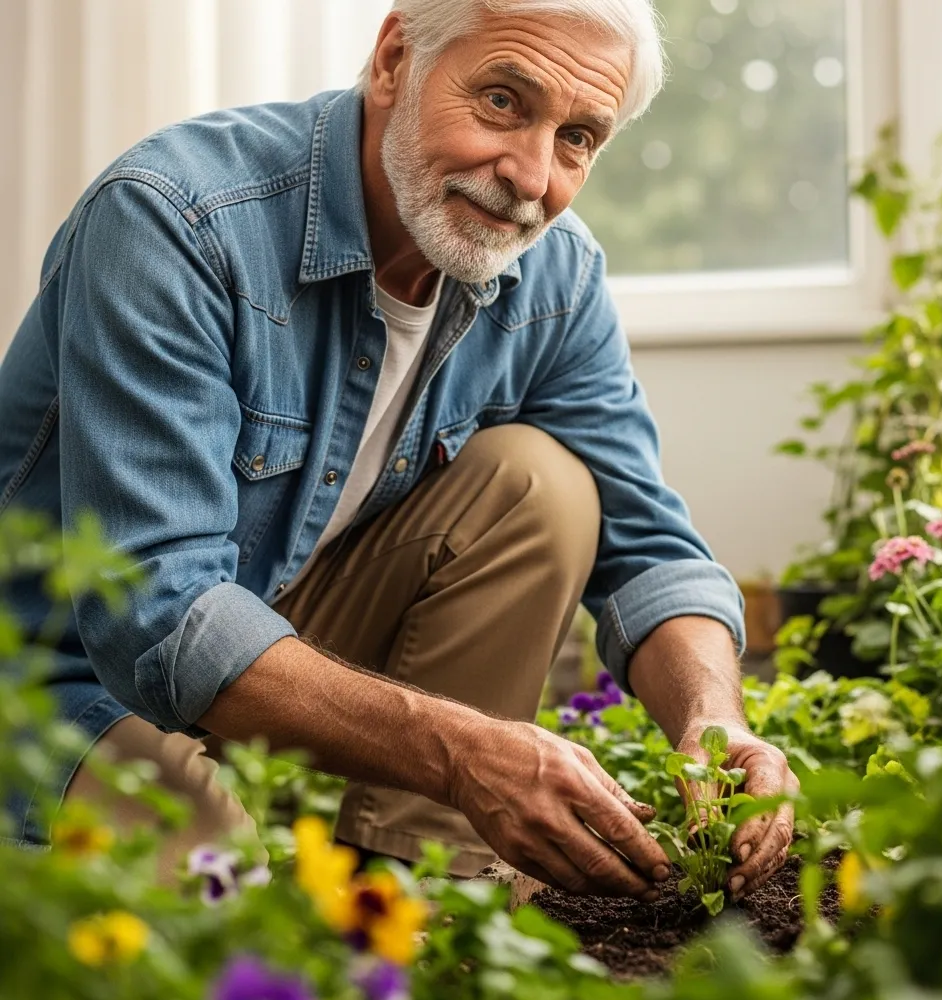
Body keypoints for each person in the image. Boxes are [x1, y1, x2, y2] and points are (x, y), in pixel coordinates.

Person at [0, 0, 798, 900]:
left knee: (542, 487)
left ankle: (417, 899)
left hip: (270, 646)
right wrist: (463, 752)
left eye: (577, 137)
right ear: (393, 61)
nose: (531, 177)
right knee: (216, 893)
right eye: (502, 100)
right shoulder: (176, 220)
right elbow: (159, 617)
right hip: (52, 681)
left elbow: (648, 548)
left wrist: (716, 722)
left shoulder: (556, 274)